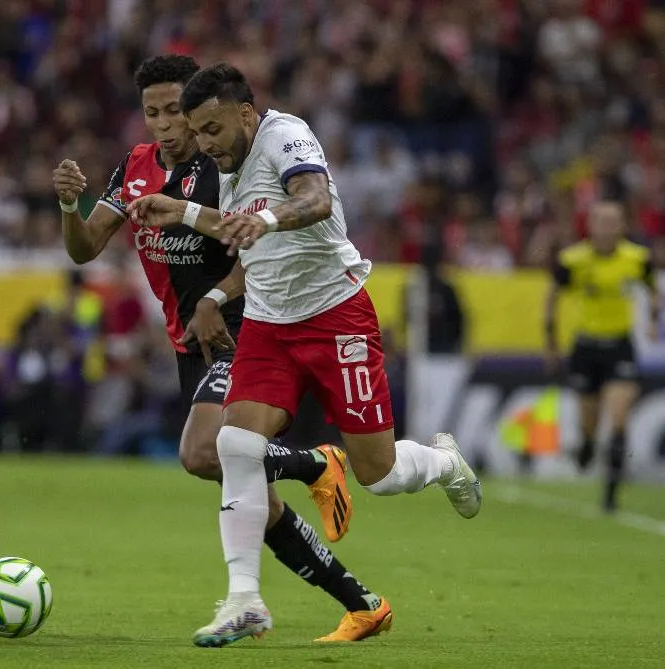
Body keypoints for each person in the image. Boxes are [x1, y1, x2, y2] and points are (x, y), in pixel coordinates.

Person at [129, 62, 482, 646]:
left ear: (244, 113)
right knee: (235, 444)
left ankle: (445, 462)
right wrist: (185, 212)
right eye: (199, 132)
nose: (206, 144)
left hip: (334, 316)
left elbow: (313, 200)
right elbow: (238, 228)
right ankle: (245, 601)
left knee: (380, 474)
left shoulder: (284, 134)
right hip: (269, 323)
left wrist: (265, 218)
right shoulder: (225, 164)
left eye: (213, 129)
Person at [53, 55, 378, 642]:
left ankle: (312, 468)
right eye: (152, 113)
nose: (165, 125)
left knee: (206, 453)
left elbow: (266, 258)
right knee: (249, 490)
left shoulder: (227, 163)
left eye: (175, 110)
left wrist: (216, 295)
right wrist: (68, 207)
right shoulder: (135, 168)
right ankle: (360, 601)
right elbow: (84, 250)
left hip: (238, 326)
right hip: (189, 343)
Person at [544, 200, 657, 513]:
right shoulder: (573, 260)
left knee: (619, 419)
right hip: (586, 348)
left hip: (620, 345)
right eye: (601, 222)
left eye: (613, 222)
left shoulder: (637, 258)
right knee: (590, 425)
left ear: (623, 226)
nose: (606, 228)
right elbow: (552, 296)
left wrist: (652, 321)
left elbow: (652, 289)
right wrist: (550, 342)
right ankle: (588, 445)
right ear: (590, 225)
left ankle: (610, 495)